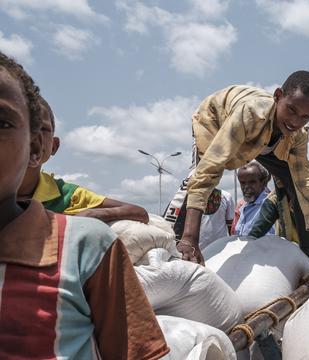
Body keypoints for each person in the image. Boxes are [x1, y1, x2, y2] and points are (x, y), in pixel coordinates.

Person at [0, 52, 168, 359]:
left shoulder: (81, 238)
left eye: (1, 122)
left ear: (39, 148)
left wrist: (83, 217)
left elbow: (137, 211)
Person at [178, 71, 309, 281]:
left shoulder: (297, 135)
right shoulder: (250, 114)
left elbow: (306, 188)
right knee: (201, 179)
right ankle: (184, 243)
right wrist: (190, 238)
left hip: (261, 141)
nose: (295, 121)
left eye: (305, 117)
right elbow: (210, 169)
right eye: (291, 110)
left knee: (294, 182)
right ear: (277, 96)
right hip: (216, 121)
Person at [17, 97, 149, 224]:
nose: (33, 136)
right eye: (16, 126)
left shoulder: (67, 196)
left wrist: (92, 214)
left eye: (43, 129)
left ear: (54, 146)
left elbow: (139, 212)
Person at [249, 177, 309, 244]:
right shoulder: (273, 201)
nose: (276, 176)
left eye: (279, 170)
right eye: (273, 173)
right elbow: (257, 232)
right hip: (291, 251)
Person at [164, 175, 234, 248]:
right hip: (192, 252)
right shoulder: (182, 199)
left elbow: (231, 228)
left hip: (219, 251)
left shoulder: (226, 197)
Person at [234, 161, 274, 236]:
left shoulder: (269, 207)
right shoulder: (244, 208)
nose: (246, 187)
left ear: (263, 182)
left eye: (252, 182)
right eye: (242, 183)